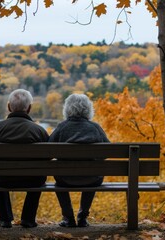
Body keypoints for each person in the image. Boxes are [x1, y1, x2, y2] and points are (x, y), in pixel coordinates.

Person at [0, 89, 49, 228]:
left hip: (3, 179)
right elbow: (49, 157)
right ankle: (28, 219)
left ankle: (5, 219)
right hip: (33, 180)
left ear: (8, 107)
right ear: (29, 108)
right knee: (40, 173)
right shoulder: (39, 131)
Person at [49, 93, 110, 227]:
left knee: (58, 180)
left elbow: (48, 151)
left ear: (67, 109)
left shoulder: (61, 127)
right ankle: (82, 217)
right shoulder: (95, 128)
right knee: (93, 174)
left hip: (64, 179)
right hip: (92, 179)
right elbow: (107, 152)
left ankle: (68, 217)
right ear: (88, 109)